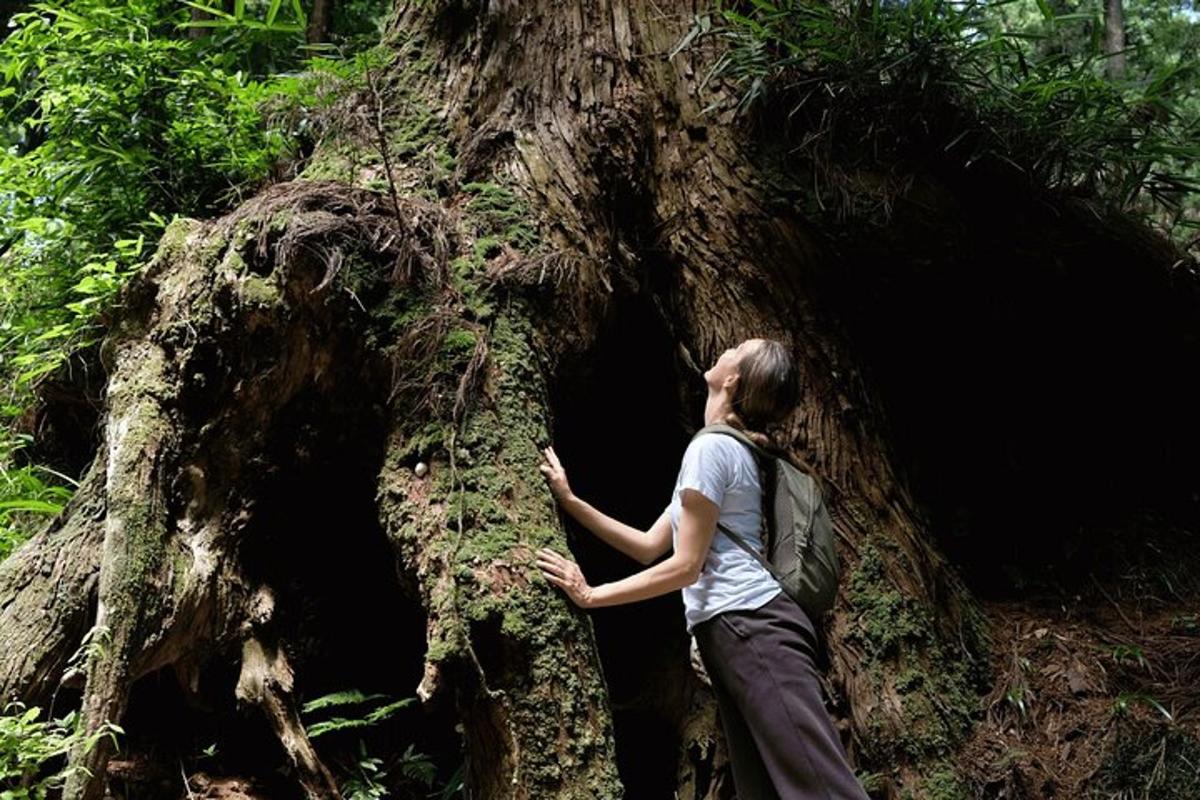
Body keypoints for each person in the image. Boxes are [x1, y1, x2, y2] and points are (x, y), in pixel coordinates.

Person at [535, 337, 870, 800]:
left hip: (753, 625)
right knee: (765, 789)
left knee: (820, 786)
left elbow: (685, 566)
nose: (726, 349)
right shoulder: (726, 450)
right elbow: (650, 546)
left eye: (737, 348)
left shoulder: (711, 450)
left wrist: (593, 595)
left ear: (732, 379)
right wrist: (571, 502)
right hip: (738, 632)